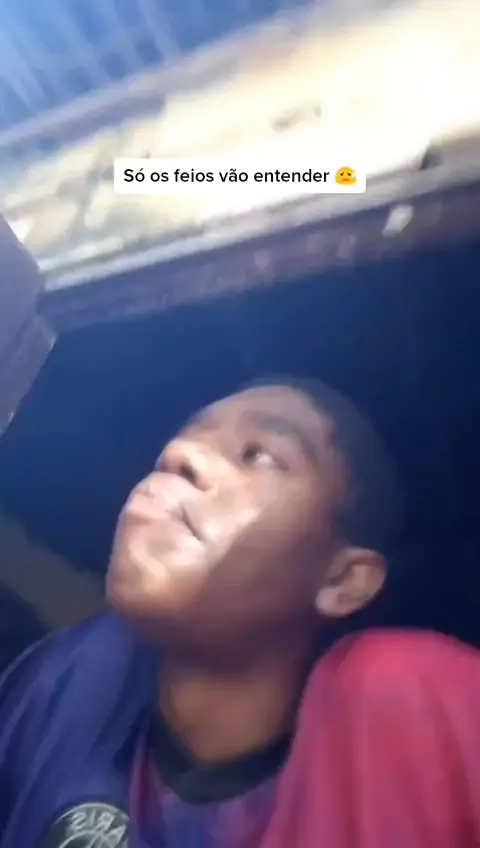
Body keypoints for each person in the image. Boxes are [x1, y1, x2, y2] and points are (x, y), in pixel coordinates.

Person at [1, 379, 480, 848]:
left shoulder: (417, 705)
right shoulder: (70, 681)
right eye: (189, 434)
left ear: (343, 580)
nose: (179, 453)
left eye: (259, 456)